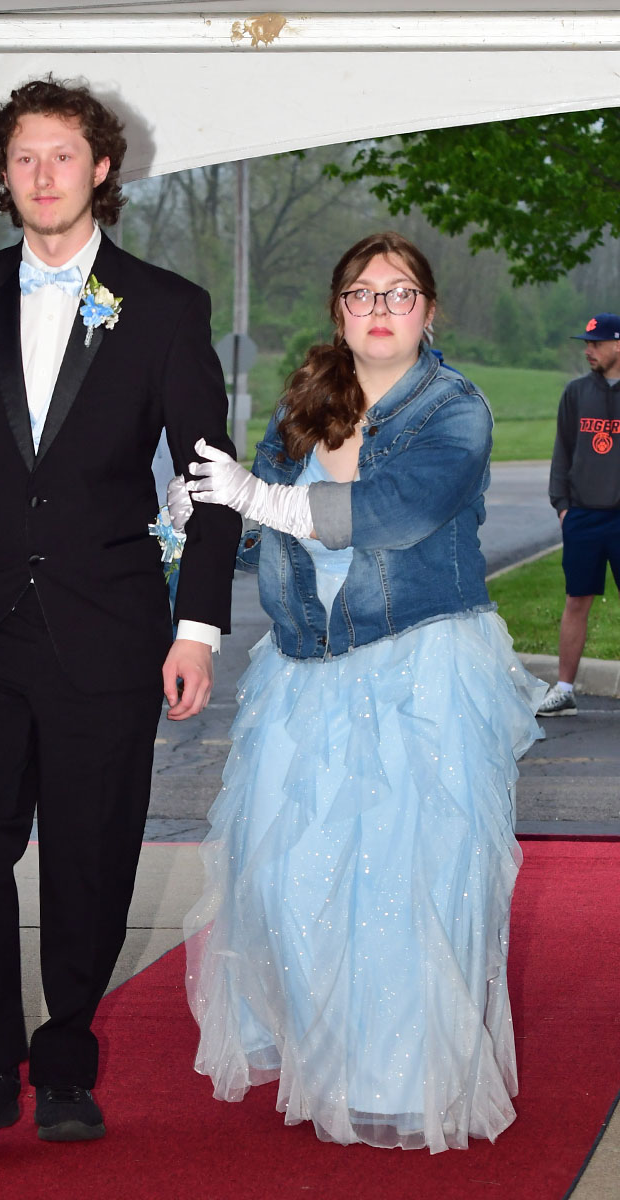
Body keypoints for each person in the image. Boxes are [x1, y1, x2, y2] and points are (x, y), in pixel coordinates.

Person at [0, 77, 239, 1148]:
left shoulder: (166, 306)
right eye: (24, 158)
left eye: (63, 156)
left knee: (89, 855)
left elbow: (208, 478)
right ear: (3, 174)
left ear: (102, 170)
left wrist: (197, 628)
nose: (43, 175)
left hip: (111, 632)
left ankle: (67, 1061)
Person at [170, 232, 545, 1153]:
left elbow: (396, 515)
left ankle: (402, 1080)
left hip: (422, 668)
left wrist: (260, 500)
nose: (381, 309)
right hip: (305, 675)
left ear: (428, 310)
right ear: (339, 309)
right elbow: (258, 531)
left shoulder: (456, 408)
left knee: (411, 881)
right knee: (298, 876)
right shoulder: (304, 406)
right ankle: (328, 1059)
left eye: (401, 292)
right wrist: (195, 517)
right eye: (363, 293)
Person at [538, 312, 620, 716]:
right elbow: (562, 452)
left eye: (596, 343)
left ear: (618, 345)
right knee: (577, 601)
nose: (588, 350)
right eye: (586, 343)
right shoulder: (575, 393)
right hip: (584, 516)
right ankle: (565, 689)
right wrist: (563, 506)